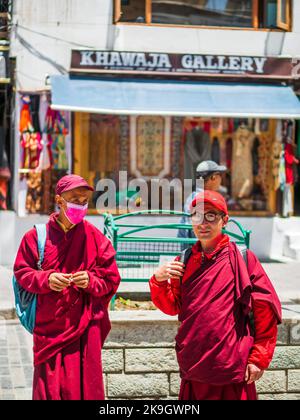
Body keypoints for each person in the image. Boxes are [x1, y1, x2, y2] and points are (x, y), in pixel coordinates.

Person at [150, 190, 281, 400]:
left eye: (211, 215)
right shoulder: (183, 261)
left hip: (232, 366)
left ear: (225, 220)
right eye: (197, 215)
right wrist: (158, 280)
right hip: (195, 366)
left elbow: (265, 310)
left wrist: (258, 359)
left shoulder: (243, 259)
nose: (203, 222)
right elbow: (172, 306)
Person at [13, 174, 121, 400]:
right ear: (59, 201)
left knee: (84, 390)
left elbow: (111, 279)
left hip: (84, 329)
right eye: (74, 199)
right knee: (49, 391)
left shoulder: (95, 238)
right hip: (49, 328)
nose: (80, 205)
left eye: (84, 201)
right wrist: (47, 279)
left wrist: (91, 281)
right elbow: (22, 273)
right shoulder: (36, 237)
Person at [178, 160, 227, 240]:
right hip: (198, 250)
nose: (221, 179)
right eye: (220, 175)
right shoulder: (204, 200)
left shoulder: (192, 196)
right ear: (213, 177)